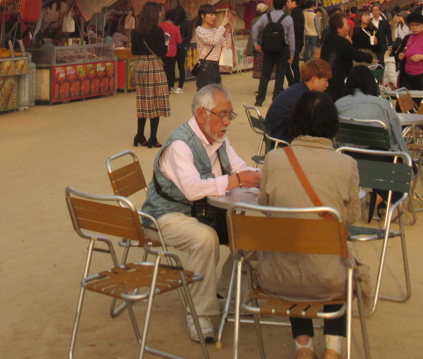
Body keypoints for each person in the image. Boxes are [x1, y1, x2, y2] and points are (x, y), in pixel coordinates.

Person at [141, 85, 259, 343]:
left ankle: (223, 292)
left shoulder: (219, 137)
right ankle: (199, 315)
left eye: (230, 114)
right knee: (205, 238)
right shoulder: (180, 145)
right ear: (201, 113)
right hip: (165, 216)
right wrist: (236, 181)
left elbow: (240, 167)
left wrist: (261, 178)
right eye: (222, 114)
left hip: (203, 213)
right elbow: (193, 190)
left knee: (253, 232)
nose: (227, 121)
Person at [257, 91, 361, 359]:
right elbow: (351, 218)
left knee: (293, 247)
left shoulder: (274, 159)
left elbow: (265, 206)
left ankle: (303, 346)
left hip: (277, 277)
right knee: (336, 255)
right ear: (333, 124)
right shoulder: (347, 164)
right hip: (328, 280)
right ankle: (333, 348)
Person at [336, 65, 409, 154]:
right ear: (371, 83)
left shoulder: (339, 104)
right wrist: (406, 157)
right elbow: (397, 134)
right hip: (382, 157)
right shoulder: (383, 105)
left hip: (347, 155)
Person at [130, 2, 170, 149]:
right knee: (156, 101)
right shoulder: (158, 31)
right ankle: (153, 137)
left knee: (143, 101)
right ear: (154, 14)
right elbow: (162, 52)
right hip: (154, 66)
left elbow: (134, 51)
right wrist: (166, 43)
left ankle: (140, 135)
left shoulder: (136, 32)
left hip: (141, 66)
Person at [266, 59, 332, 143]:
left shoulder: (296, 89)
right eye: (325, 80)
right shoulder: (303, 98)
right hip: (282, 140)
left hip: (273, 135)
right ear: (314, 79)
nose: (327, 85)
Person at [251, 0, 296, 107]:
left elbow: (255, 27)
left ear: (272, 5)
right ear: (284, 6)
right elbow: (291, 38)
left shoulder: (266, 17)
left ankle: (260, 99)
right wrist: (291, 53)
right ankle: (276, 98)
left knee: (265, 74)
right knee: (280, 74)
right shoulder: (288, 19)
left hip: (268, 49)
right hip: (283, 49)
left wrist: (256, 43)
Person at [319, 12, 373, 101]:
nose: (349, 27)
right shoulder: (341, 42)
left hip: (328, 79)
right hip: (339, 81)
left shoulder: (328, 39)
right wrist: (369, 57)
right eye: (347, 25)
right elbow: (356, 54)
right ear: (339, 28)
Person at [396, 12, 423, 90]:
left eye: (417, 25)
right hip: (406, 75)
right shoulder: (407, 38)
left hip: (422, 76)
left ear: (422, 24)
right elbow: (400, 53)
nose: (414, 27)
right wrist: (400, 57)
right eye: (412, 25)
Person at [193, 4, 228, 90]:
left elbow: (225, 44)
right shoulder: (199, 30)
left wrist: (228, 31)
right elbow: (212, 41)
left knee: (217, 97)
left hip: (216, 67)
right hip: (206, 68)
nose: (214, 17)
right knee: (206, 97)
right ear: (202, 16)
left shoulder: (216, 30)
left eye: (215, 14)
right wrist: (222, 26)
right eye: (211, 14)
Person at [160, 9, 183, 94]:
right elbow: (179, 41)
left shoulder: (159, 25)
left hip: (161, 51)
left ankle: (161, 87)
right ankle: (169, 87)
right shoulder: (176, 28)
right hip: (172, 52)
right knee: (170, 71)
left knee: (162, 70)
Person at [286, 0, 305, 85]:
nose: (287, 3)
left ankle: (295, 82)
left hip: (295, 42)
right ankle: (295, 82)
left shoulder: (296, 12)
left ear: (294, 2)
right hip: (297, 41)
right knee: (294, 64)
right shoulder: (296, 12)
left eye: (288, 1)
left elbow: (296, 28)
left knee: (292, 64)